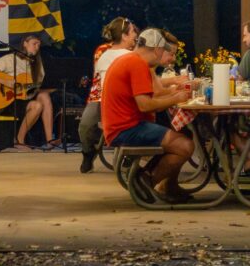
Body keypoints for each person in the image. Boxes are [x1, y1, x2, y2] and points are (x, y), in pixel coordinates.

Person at [101, 28, 197, 203]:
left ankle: (157, 181)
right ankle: (146, 182)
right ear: (157, 49)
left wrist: (173, 96)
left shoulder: (129, 60)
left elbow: (151, 98)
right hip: (126, 129)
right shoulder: (137, 64)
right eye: (162, 52)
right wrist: (176, 97)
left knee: (180, 135)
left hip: (121, 125)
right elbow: (145, 105)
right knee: (185, 145)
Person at [78, 17, 137, 172]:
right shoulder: (102, 51)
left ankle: (131, 155)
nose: (135, 36)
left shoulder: (135, 52)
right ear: (123, 35)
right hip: (100, 95)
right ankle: (88, 152)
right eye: (132, 32)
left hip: (125, 96)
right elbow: (98, 77)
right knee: (85, 124)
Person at [0, 32, 56, 149]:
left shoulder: (37, 65)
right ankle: (19, 140)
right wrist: (4, 82)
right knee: (37, 106)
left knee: (44, 95)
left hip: (23, 98)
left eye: (39, 45)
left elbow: (36, 87)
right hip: (6, 100)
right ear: (25, 44)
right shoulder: (11, 59)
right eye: (34, 43)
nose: (37, 47)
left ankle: (49, 140)